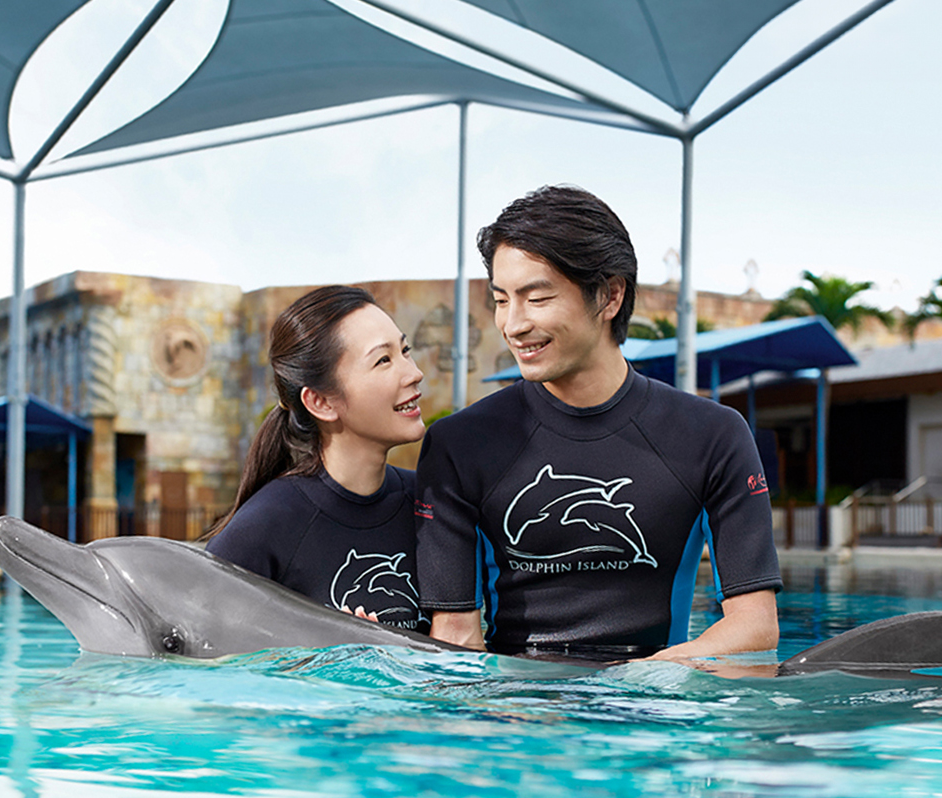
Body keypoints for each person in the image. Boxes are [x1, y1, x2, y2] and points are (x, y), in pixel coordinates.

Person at [415, 186, 781, 662]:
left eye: (537, 298)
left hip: (652, 703)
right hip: (517, 711)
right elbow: (456, 639)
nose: (514, 324)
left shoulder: (713, 436)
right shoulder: (459, 444)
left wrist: (632, 688)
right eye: (502, 300)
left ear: (609, 296)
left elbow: (755, 629)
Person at [206, 285, 429, 630]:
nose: (414, 373)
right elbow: (201, 648)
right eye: (383, 360)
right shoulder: (268, 522)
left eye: (405, 351)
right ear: (321, 403)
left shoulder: (430, 502)